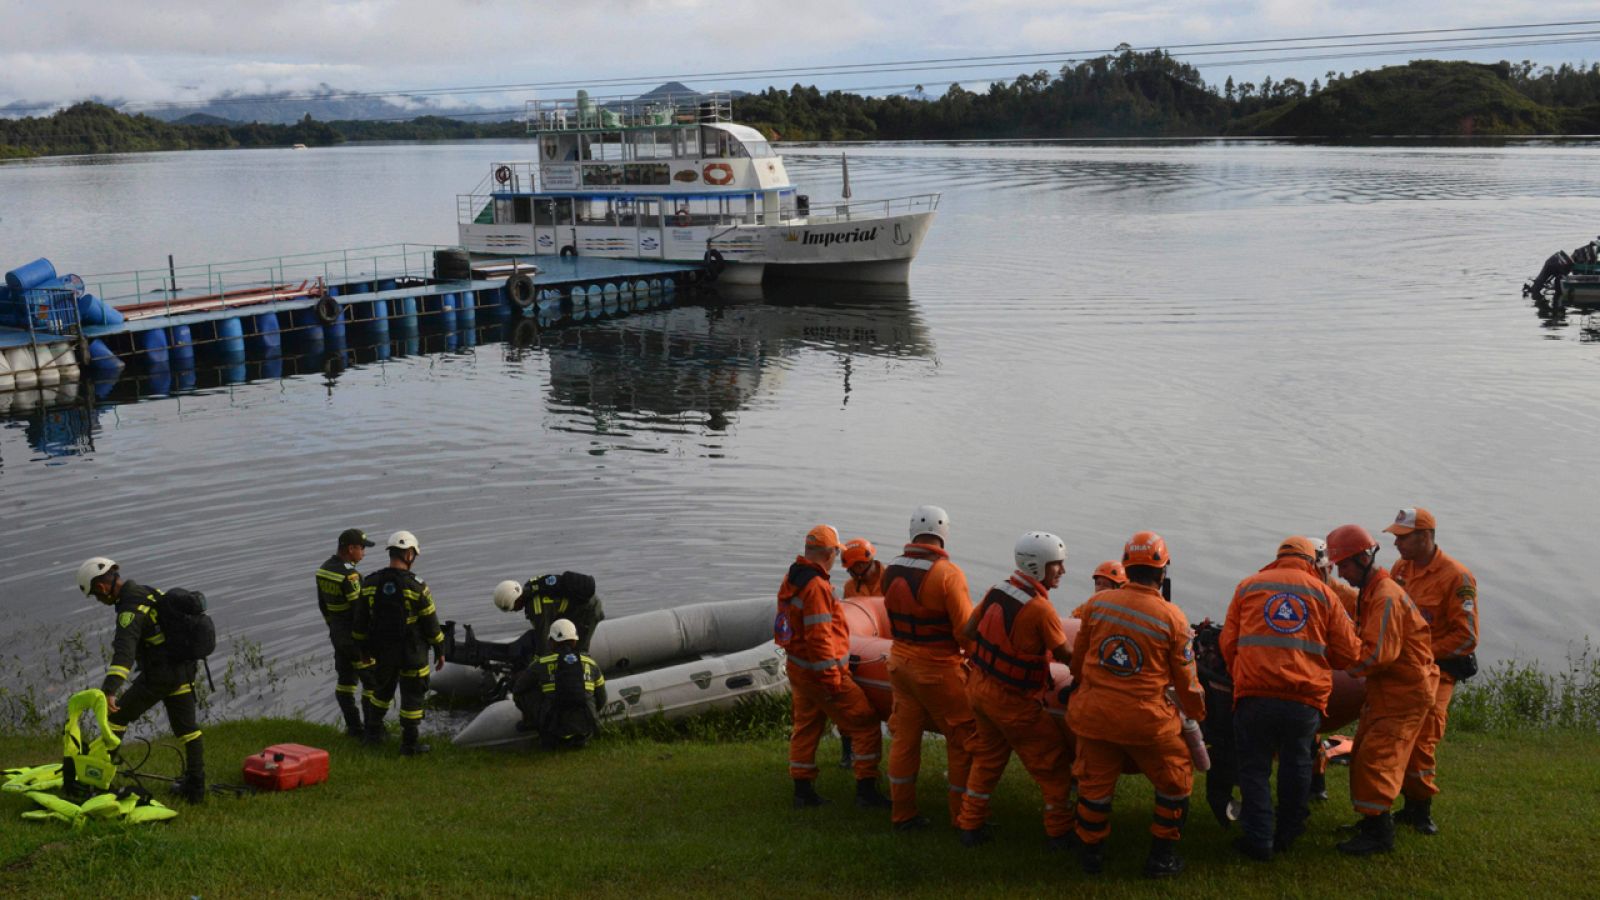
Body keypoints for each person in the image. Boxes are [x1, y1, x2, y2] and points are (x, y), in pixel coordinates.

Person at [1068, 531, 1205, 878]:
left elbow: (1078, 662)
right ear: (1163, 572)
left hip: (1095, 716)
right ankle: (1160, 859)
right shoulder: (1173, 618)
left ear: (1126, 568)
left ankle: (1090, 857)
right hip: (1147, 723)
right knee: (1175, 781)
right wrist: (1198, 714)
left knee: (1094, 786)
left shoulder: (1097, 605)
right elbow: (1186, 681)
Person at [1219, 536, 1361, 861]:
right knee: (1297, 764)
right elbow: (1350, 653)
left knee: (1254, 768)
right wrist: (1323, 664)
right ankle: (1288, 832)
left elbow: (1228, 643)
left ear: (1279, 557)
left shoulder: (1248, 587)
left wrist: (1242, 673)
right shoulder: (1324, 593)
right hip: (1304, 700)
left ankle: (1259, 840)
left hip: (1254, 696)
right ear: (1312, 561)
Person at [955, 532, 1074, 850]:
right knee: (1053, 765)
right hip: (1013, 702)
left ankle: (970, 826)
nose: (1062, 571)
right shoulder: (1041, 610)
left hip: (979, 689)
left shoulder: (997, 591)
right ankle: (1059, 834)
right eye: (1057, 565)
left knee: (987, 759)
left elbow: (968, 630)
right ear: (1039, 567)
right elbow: (1064, 655)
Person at [1324, 524, 1438, 855]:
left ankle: (1379, 834)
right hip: (1389, 691)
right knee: (1363, 754)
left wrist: (1335, 663)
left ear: (1362, 558)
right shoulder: (1374, 590)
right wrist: (1325, 585)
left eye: (1344, 566)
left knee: (1378, 758)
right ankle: (1374, 822)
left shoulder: (1386, 596)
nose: (1342, 573)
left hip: (1404, 693)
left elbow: (1376, 656)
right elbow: (1356, 605)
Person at [76, 557, 207, 804]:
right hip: (183, 669)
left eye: (95, 594)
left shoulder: (129, 610)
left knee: (116, 718)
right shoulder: (147, 592)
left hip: (160, 676)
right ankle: (196, 789)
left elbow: (124, 653)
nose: (98, 599)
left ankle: (99, 782)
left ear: (102, 588)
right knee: (188, 730)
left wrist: (109, 690)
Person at [778, 524, 889, 810]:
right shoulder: (816, 586)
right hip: (821, 673)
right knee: (864, 722)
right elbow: (819, 637)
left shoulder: (793, 576)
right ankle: (866, 790)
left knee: (807, 725)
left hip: (799, 668)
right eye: (835, 554)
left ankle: (802, 790)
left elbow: (791, 628)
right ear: (828, 554)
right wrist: (832, 679)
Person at [881, 505, 976, 831]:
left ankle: (902, 813)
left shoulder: (890, 569)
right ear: (944, 535)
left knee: (905, 739)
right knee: (963, 740)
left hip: (899, 664)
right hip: (937, 669)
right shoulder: (949, 575)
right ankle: (962, 818)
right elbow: (965, 631)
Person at [1384, 508, 1478, 835]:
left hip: (1438, 671)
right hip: (1403, 669)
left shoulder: (1456, 577)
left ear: (1425, 536)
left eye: (1402, 537)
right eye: (1395, 537)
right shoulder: (1400, 569)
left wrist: (1422, 653)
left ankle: (1419, 808)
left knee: (1424, 736)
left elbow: (1466, 637)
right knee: (1390, 733)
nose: (1396, 543)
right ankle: (1387, 803)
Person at [353, 531, 446, 756]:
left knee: (381, 691)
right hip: (413, 652)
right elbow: (431, 624)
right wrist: (440, 650)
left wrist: (363, 651)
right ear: (409, 554)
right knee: (413, 697)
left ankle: (372, 735)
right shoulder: (417, 586)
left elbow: (360, 623)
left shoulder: (371, 582)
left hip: (383, 652)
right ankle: (409, 745)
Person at [315, 528, 376, 738]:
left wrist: (333, 629)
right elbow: (360, 611)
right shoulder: (350, 575)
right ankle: (371, 730)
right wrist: (367, 639)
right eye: (361, 549)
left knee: (345, 682)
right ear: (350, 549)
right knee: (371, 682)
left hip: (337, 635)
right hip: (354, 638)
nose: (364, 554)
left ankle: (353, 728)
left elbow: (323, 606)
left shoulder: (323, 570)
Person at [516, 618, 607, 750]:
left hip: (553, 733)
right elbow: (602, 699)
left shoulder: (541, 664)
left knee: (521, 693)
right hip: (586, 729)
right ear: (575, 641)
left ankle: (531, 725)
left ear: (552, 642)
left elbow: (518, 689)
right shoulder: (591, 664)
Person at [492, 571, 605, 658]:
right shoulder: (531, 588)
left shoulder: (536, 609)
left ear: (515, 600)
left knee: (578, 652)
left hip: (588, 610)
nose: (513, 611)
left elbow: (543, 641)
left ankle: (585, 678)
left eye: (512, 608)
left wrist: (537, 666)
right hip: (576, 609)